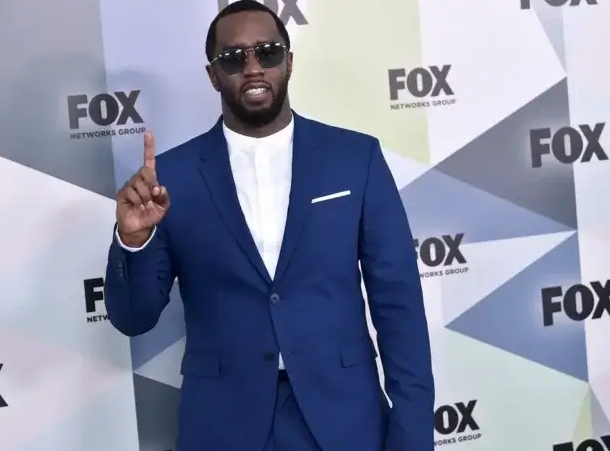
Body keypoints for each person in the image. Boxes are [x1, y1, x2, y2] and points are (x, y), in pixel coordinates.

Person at [104, 1, 434, 450]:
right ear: (213, 75)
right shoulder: (170, 179)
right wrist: (133, 240)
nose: (254, 68)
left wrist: (412, 436)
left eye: (268, 52)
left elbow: (400, 308)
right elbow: (133, 318)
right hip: (223, 425)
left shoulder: (355, 159)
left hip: (343, 418)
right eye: (234, 58)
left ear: (290, 61)